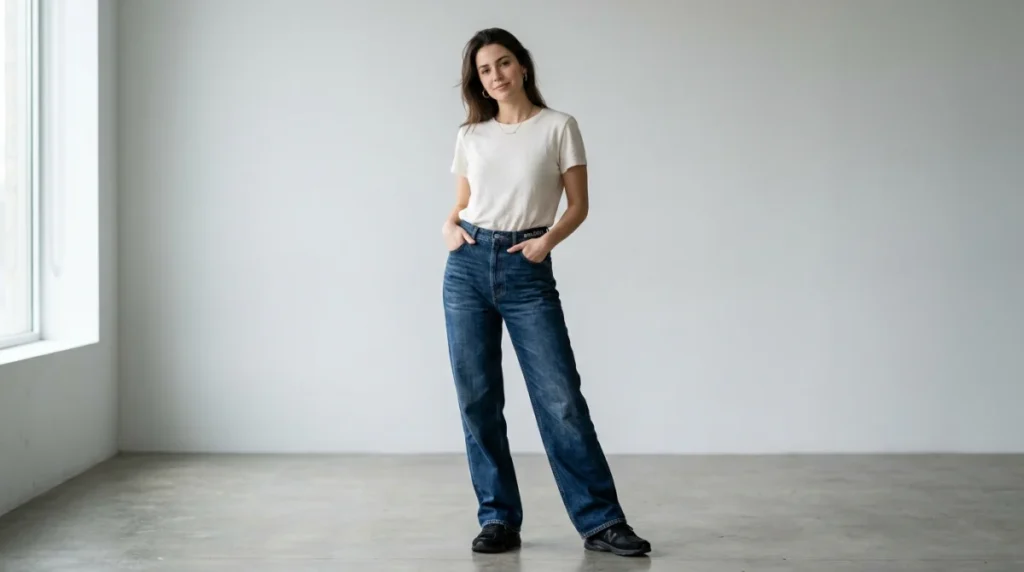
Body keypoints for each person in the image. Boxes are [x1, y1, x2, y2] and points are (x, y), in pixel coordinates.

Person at [440, 28, 651, 558]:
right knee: (477, 400)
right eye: (486, 70)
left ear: (523, 66)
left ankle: (601, 521)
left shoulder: (559, 127)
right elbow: (463, 202)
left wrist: (546, 242)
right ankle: (498, 519)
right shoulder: (472, 135)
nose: (497, 76)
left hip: (526, 268)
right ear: (479, 82)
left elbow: (577, 204)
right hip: (466, 269)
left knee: (560, 400)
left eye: (504, 63)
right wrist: (448, 229)